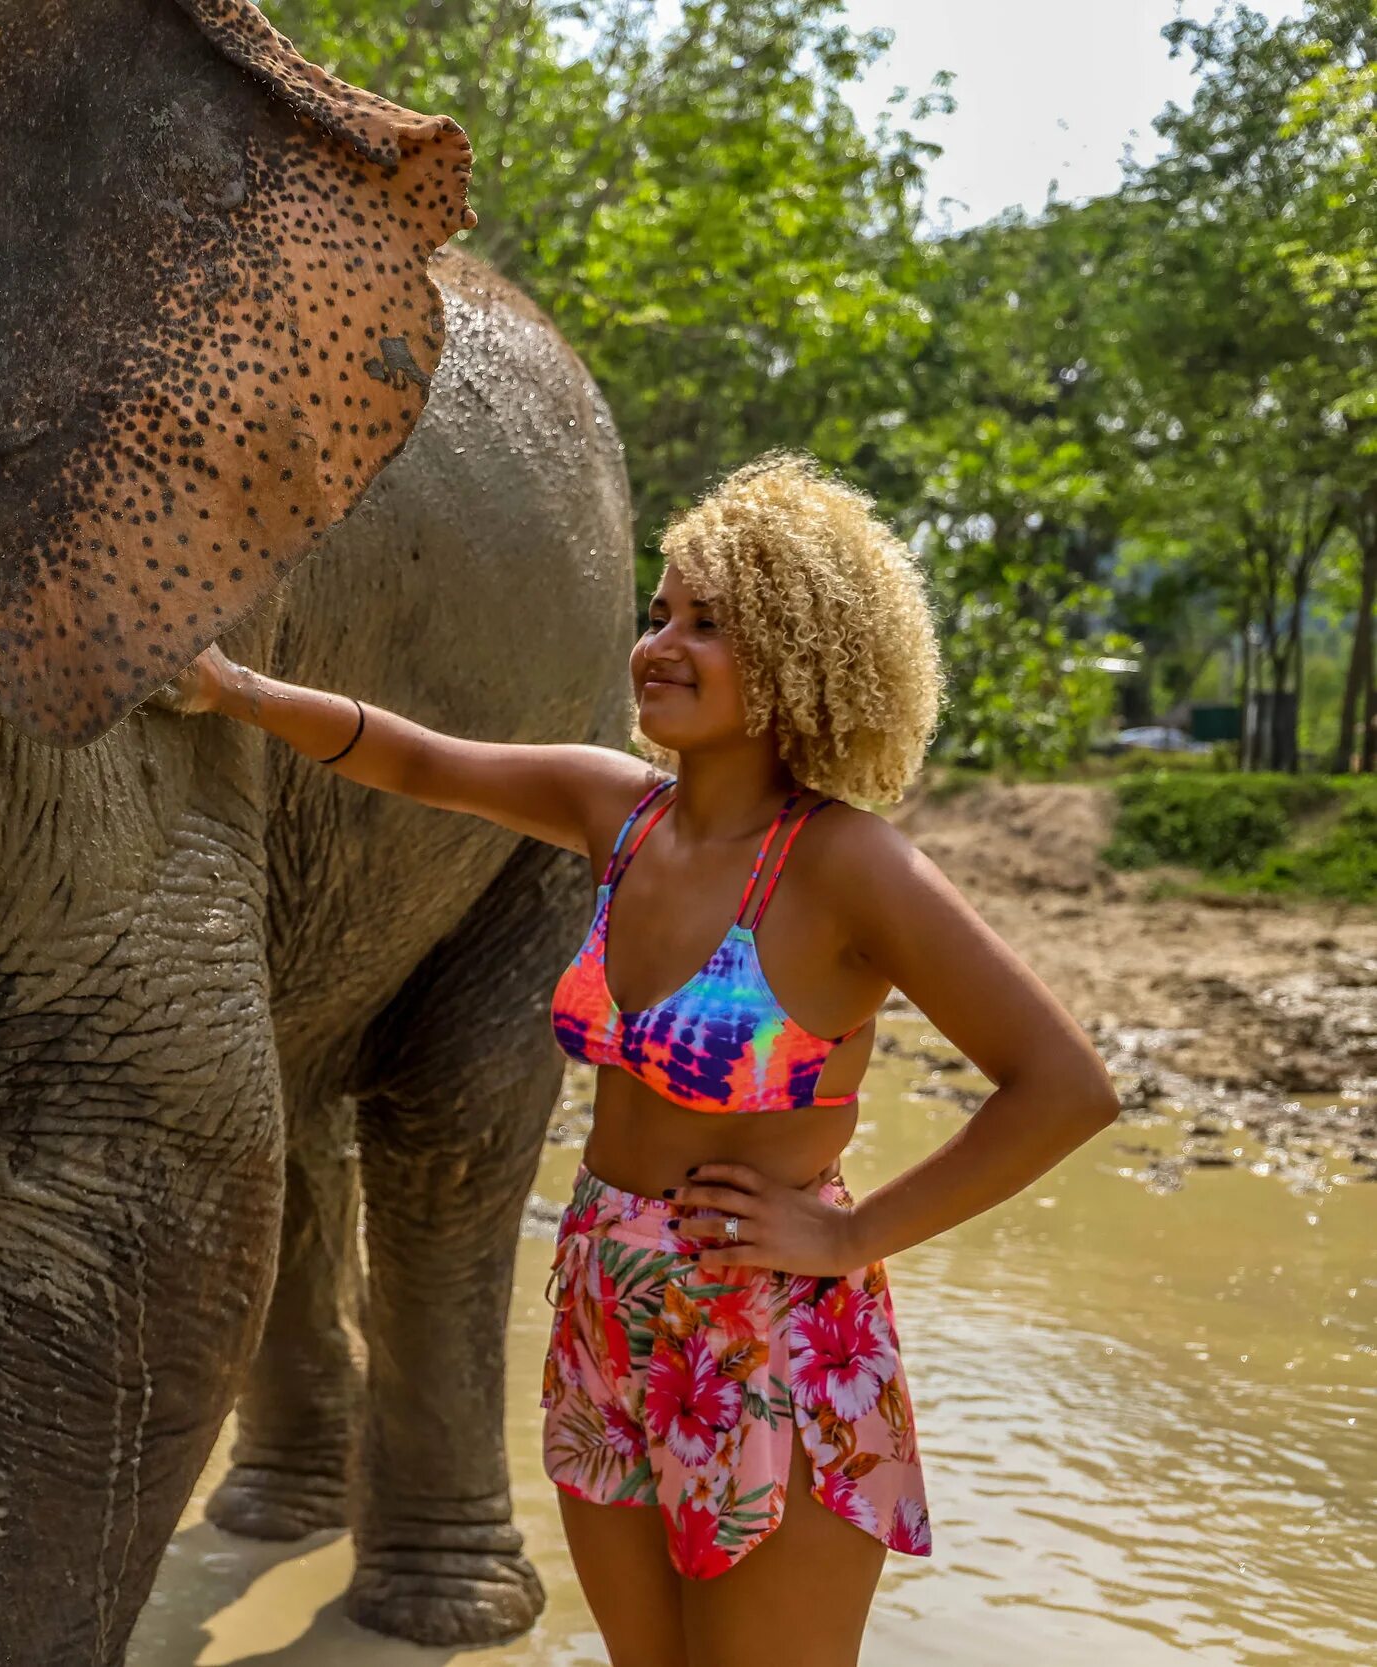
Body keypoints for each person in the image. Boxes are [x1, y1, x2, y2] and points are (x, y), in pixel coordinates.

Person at [160, 453, 1119, 1666]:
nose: (660, 642)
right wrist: (230, 687)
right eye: (658, 612)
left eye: (708, 624)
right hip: (605, 1313)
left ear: (799, 650)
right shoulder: (618, 812)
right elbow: (415, 759)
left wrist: (847, 1234)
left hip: (769, 1333)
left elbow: (1064, 1085)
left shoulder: (847, 867)